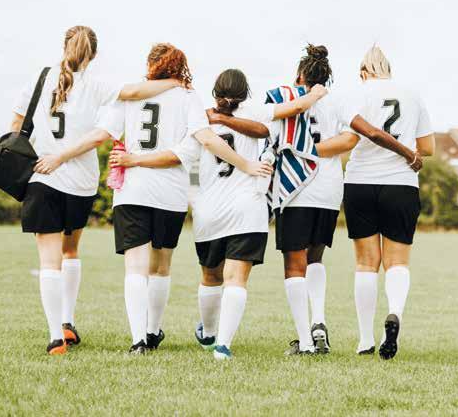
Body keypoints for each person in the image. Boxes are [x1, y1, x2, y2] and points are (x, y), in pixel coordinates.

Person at [41, 43, 272, 354]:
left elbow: (101, 134)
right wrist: (245, 164)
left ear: (150, 65)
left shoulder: (130, 95)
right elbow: (199, 142)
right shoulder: (187, 96)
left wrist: (61, 156)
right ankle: (152, 332)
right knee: (161, 267)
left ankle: (139, 340)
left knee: (135, 269)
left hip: (132, 191)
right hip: (169, 193)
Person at [212, 44, 423, 355]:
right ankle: (319, 321)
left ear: (300, 75)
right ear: (327, 77)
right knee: (315, 259)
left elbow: (262, 129)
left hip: (295, 190)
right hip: (329, 190)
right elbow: (350, 138)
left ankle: (307, 341)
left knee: (294, 266)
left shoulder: (284, 97)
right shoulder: (337, 100)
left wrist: (300, 151)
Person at [110, 69, 327, 360]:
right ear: (246, 93)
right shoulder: (256, 112)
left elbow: (182, 158)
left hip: (210, 210)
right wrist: (315, 93)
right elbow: (295, 108)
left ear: (215, 93)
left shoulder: (200, 118)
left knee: (210, 277)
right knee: (236, 279)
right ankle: (222, 346)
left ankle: (209, 334)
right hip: (248, 208)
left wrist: (137, 161)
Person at [10, 25, 186, 356]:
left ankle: (56, 337)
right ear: (93, 54)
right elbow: (134, 91)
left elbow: (17, 125)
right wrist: (174, 82)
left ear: (64, 46)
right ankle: (68, 320)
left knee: (48, 261)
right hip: (79, 181)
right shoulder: (95, 86)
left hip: (41, 176)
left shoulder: (39, 78)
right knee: (70, 251)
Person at [341, 45, 434, 360]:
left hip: (360, 183)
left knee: (366, 263)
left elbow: (351, 137)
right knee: (397, 263)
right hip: (401, 184)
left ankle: (365, 340)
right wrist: (408, 149)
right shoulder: (412, 94)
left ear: (363, 72)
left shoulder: (357, 93)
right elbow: (428, 147)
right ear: (389, 69)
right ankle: (394, 314)